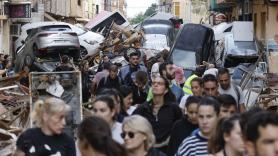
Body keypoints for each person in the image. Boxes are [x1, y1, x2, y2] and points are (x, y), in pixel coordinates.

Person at [133, 76, 182, 153]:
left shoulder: (173, 108)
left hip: (168, 151)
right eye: (153, 83)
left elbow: (180, 127)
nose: (155, 85)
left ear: (166, 90)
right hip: (146, 151)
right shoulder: (143, 108)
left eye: (159, 83)